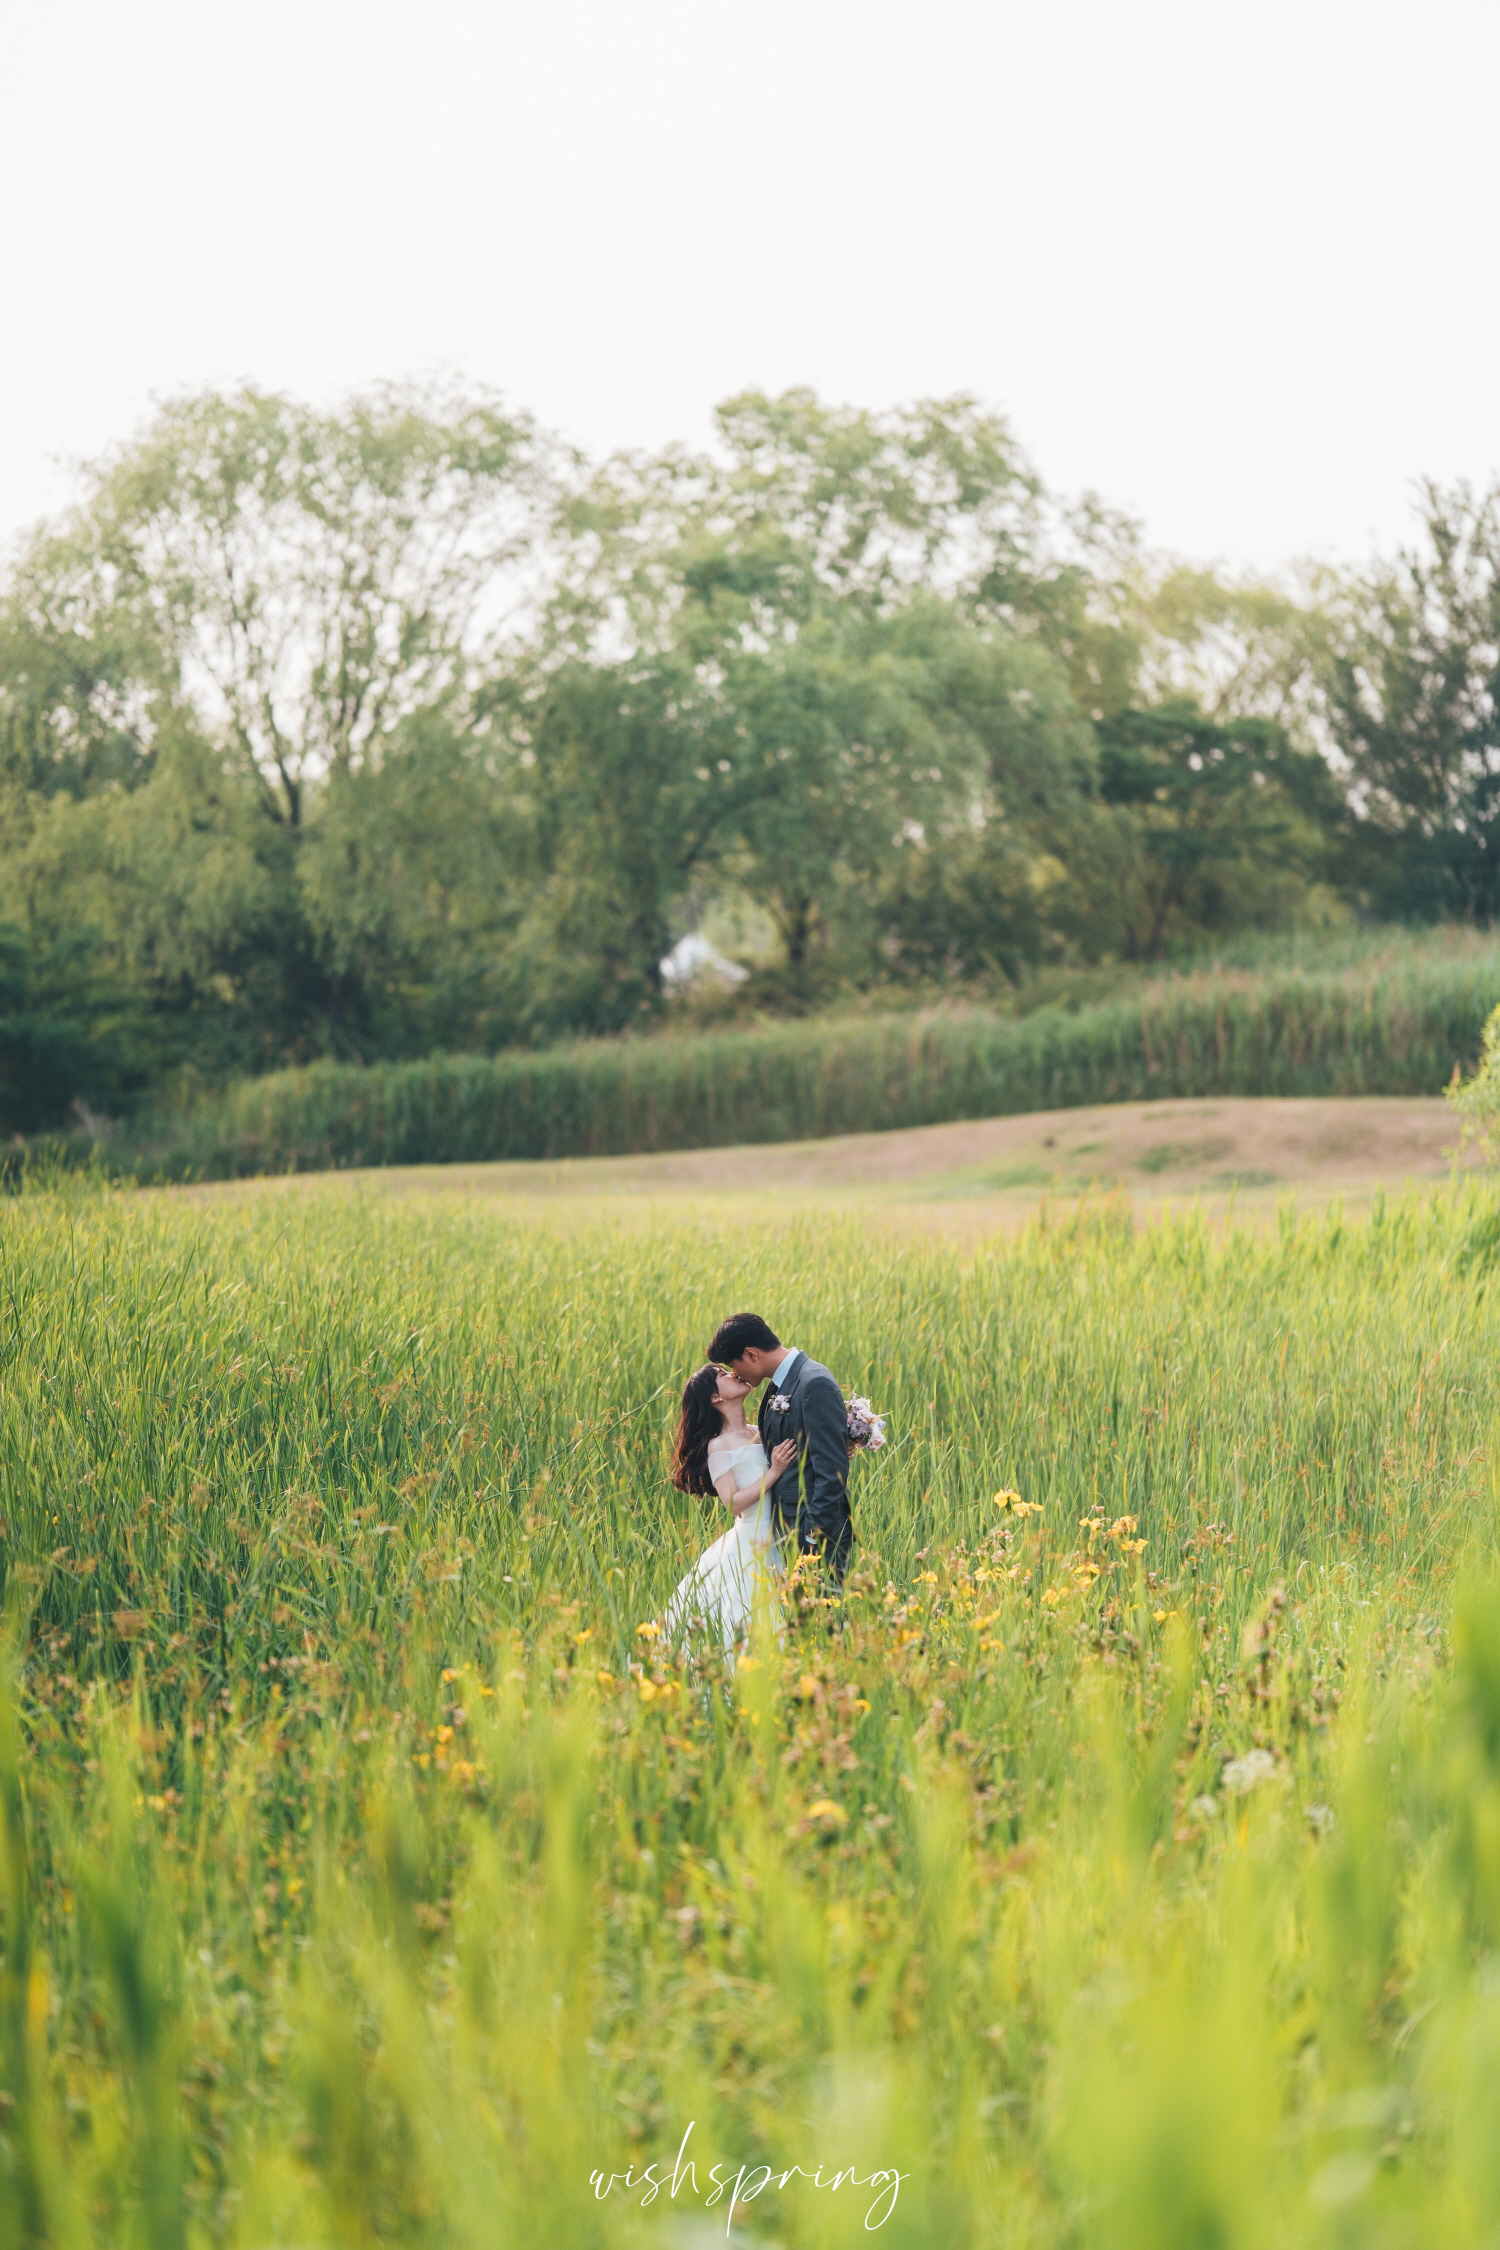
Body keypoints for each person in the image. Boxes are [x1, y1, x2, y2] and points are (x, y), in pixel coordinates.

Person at [705, 1312, 853, 1583]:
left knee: (822, 1608)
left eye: (733, 1365)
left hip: (813, 1538)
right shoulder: (780, 1385)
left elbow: (832, 1473)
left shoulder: (813, 1382)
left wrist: (812, 1535)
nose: (735, 1374)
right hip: (785, 1534)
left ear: (751, 1354)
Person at [663, 1361, 797, 1657]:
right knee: (751, 1619)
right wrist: (774, 1471)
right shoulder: (719, 1445)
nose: (733, 1373)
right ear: (715, 1397)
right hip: (752, 1544)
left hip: (783, 1537)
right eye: (723, 1375)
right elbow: (732, 1503)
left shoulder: (761, 1430)